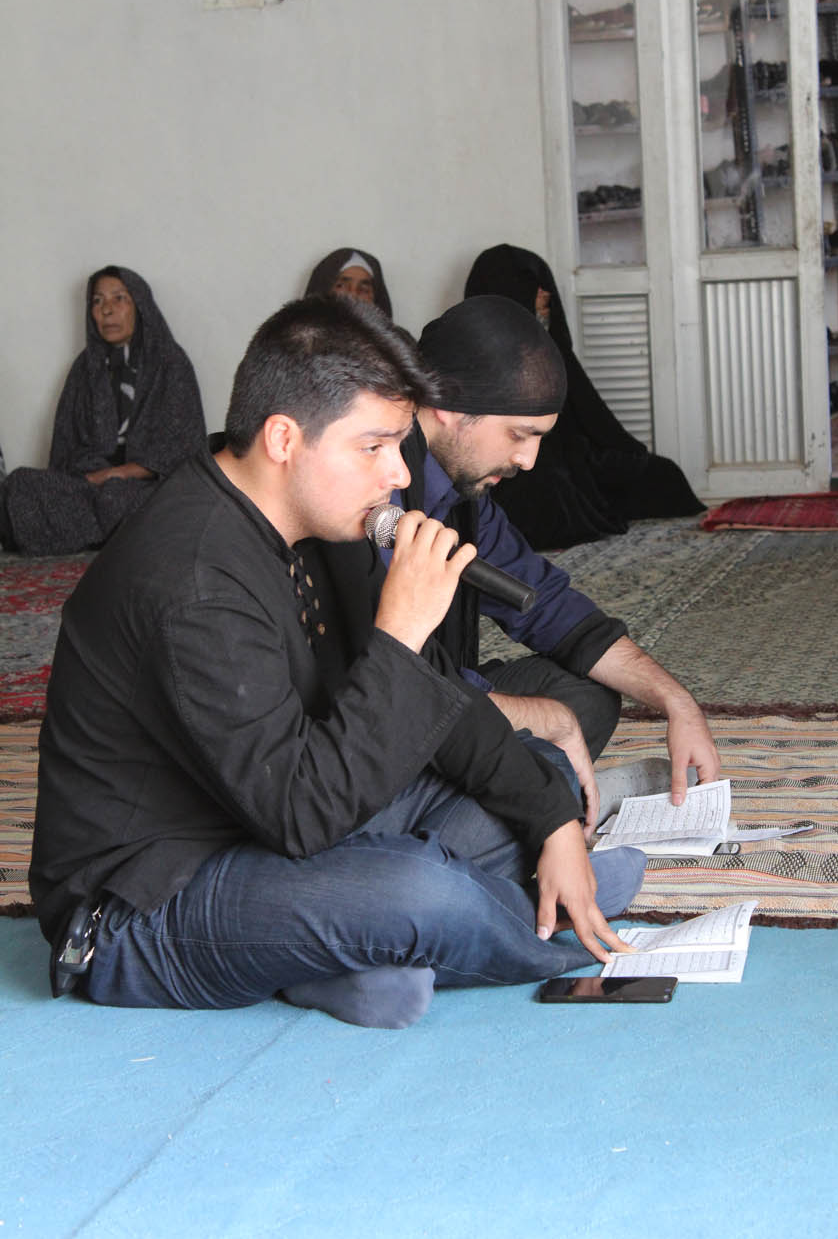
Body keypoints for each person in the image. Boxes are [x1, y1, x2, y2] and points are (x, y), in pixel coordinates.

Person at [30, 295, 646, 1030]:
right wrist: (401, 632)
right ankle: (550, 934)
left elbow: (436, 700)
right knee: (418, 890)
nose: (398, 475)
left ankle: (336, 958)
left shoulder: (323, 523)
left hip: (276, 825)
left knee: (535, 775)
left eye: (399, 446)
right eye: (374, 447)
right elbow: (302, 815)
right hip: (146, 900)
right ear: (284, 438)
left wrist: (553, 824)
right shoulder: (193, 581)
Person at [389, 294, 720, 835]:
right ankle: (519, 814)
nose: (527, 460)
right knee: (549, 723)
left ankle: (523, 803)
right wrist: (551, 722)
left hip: (447, 698)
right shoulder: (377, 491)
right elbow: (396, 688)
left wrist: (676, 701)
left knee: (587, 693)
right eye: (518, 434)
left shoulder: (462, 492)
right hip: (390, 715)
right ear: (446, 404)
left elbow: (550, 608)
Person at [463, 243, 705, 549]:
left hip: (572, 452)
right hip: (519, 463)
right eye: (533, 287)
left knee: (661, 474)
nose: (545, 295)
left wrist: (614, 448)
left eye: (544, 286)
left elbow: (588, 411)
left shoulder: (550, 348)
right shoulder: (473, 357)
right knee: (552, 491)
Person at [0, 267, 206, 555]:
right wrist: (92, 476)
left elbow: (182, 448)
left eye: (119, 298)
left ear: (140, 305)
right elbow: (66, 445)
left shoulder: (170, 363)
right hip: (89, 481)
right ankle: (108, 531)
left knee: (128, 499)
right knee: (20, 484)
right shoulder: (85, 368)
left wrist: (116, 475)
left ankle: (77, 530)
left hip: (146, 484)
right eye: (97, 301)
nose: (107, 310)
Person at [304, 247, 392, 316]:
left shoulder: (393, 335)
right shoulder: (301, 334)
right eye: (341, 286)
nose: (353, 295)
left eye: (364, 289)